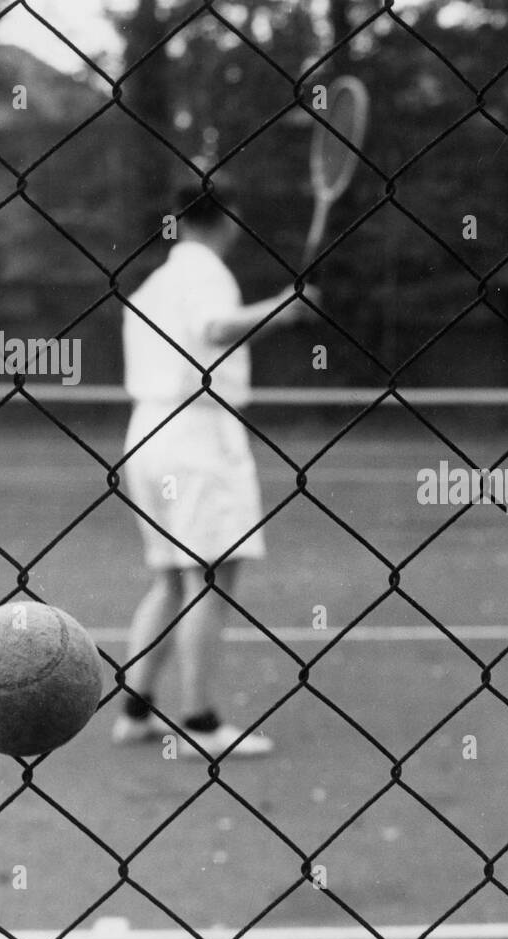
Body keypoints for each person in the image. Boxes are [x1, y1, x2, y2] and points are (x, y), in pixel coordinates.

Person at [112, 186, 316, 758]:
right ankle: (199, 722)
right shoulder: (206, 272)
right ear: (224, 221)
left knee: (171, 579)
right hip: (196, 436)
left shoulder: (152, 284)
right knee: (212, 577)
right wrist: (283, 306)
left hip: (147, 436)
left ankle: (134, 708)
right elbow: (214, 329)